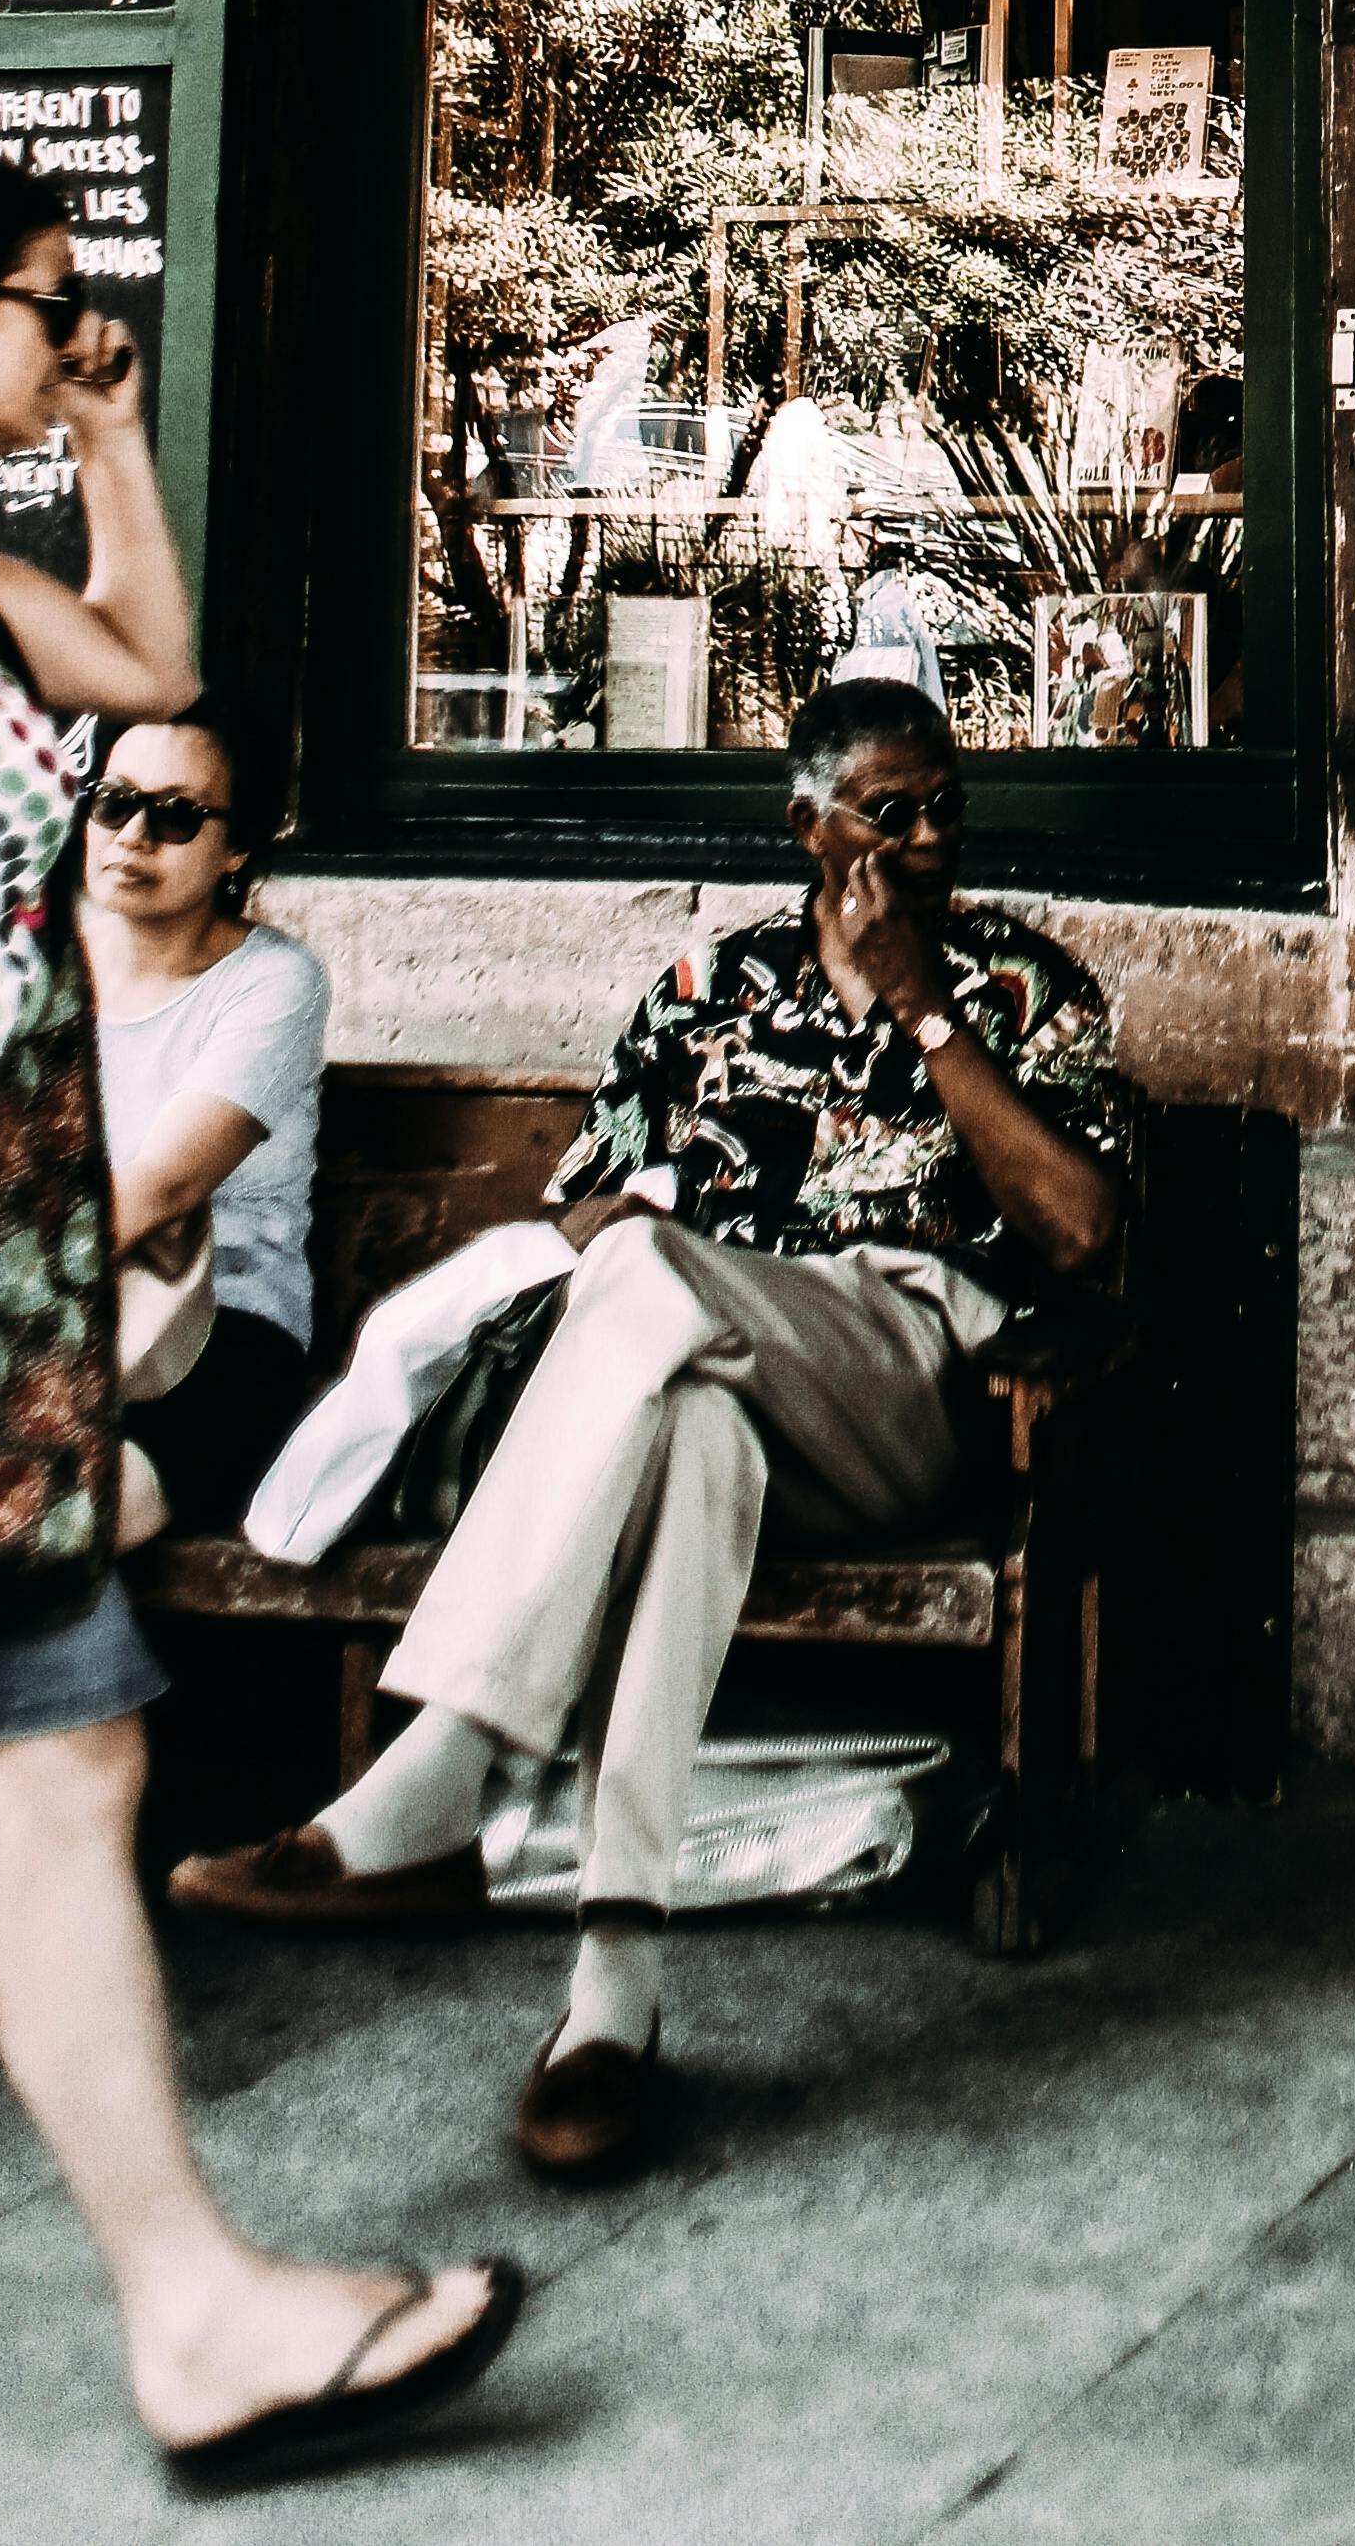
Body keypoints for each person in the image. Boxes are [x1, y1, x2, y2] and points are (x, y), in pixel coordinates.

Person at [176, 671, 1127, 2190]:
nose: (934, 832)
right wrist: (659, 1223)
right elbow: (580, 1200)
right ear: (809, 823)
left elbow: (1079, 1235)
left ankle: (448, 1763)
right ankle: (609, 2005)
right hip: (710, 1364)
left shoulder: (1024, 988)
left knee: (642, 1289)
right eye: (896, 808)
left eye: (950, 802)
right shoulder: (707, 987)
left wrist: (918, 1004)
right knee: (681, 1420)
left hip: (908, 1384)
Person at [0, 145, 523, 2486]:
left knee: (64, 1758)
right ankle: (192, 2311)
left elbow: (157, 670)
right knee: (55, 1760)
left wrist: (106, 434)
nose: (75, 330)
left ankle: (191, 2310)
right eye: (43, 303)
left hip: (2, 1292)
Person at [84, 698, 329, 1546]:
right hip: (35, 1308)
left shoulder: (273, 983)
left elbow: (162, 1187)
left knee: (67, 1520)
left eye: (177, 815)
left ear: (236, 846)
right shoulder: (32, 964)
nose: (133, 834)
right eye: (114, 800)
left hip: (210, 1328)